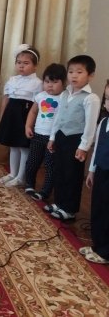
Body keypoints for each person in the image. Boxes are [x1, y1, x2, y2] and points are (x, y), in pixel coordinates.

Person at [46, 55, 100, 221]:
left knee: (72, 175)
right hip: (61, 136)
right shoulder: (65, 93)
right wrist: (52, 137)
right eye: (71, 72)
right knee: (59, 171)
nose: (74, 76)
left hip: (76, 140)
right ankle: (59, 202)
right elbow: (58, 117)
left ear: (90, 75)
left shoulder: (91, 98)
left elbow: (90, 125)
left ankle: (69, 209)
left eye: (79, 72)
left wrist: (84, 147)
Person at [0, 44, 43, 187]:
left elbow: (37, 105)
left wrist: (31, 123)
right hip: (11, 115)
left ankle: (21, 177)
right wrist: (3, 116)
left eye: (26, 63)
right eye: (19, 62)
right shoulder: (12, 80)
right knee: (13, 146)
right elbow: (6, 99)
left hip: (25, 117)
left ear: (35, 65)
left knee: (23, 147)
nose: (21, 66)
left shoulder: (38, 83)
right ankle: (12, 173)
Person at [23, 63, 66, 200]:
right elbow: (33, 112)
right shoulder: (40, 96)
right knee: (32, 162)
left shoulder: (65, 97)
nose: (50, 85)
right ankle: (29, 184)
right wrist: (28, 126)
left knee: (50, 165)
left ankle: (45, 191)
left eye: (55, 82)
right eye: (47, 82)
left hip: (53, 139)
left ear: (64, 82)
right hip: (37, 135)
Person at [80, 81, 109, 264]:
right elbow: (97, 147)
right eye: (107, 98)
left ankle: (105, 252)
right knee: (98, 208)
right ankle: (98, 245)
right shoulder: (104, 122)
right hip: (101, 171)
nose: (108, 103)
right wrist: (91, 171)